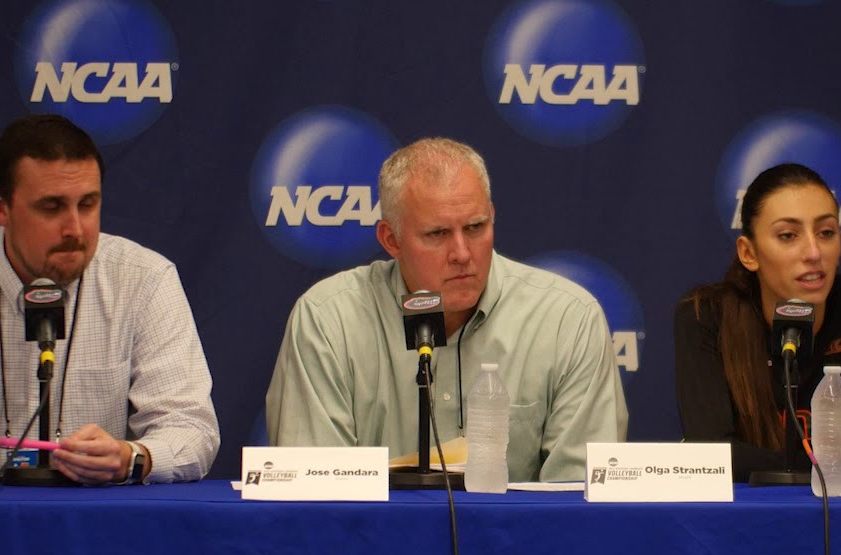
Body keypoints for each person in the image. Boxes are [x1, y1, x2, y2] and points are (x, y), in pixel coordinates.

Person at [266, 137, 627, 482]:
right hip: (373, 544)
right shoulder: (329, 321)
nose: (462, 254)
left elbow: (579, 500)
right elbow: (313, 497)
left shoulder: (568, 320)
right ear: (391, 240)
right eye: (437, 234)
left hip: (522, 545)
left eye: (475, 227)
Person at [0, 114, 219, 484]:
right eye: (51, 207)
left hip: (94, 525)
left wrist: (131, 457)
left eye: (87, 204)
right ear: (0, 208)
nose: (75, 229)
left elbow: (192, 428)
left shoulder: (144, 279)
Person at [674, 163, 841, 487]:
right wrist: (834, 462)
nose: (814, 252)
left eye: (826, 233)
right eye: (788, 236)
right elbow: (710, 455)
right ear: (749, 253)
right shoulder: (706, 316)